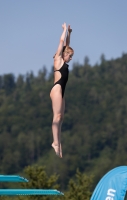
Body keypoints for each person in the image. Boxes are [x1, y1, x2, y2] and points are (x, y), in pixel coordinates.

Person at [50, 23, 74, 158]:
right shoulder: (58, 59)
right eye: (70, 56)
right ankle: (55, 142)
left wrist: (69, 34)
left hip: (61, 91)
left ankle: (58, 143)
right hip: (57, 89)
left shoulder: (63, 60)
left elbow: (66, 45)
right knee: (57, 117)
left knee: (61, 117)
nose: (70, 59)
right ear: (64, 55)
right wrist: (64, 30)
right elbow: (61, 42)